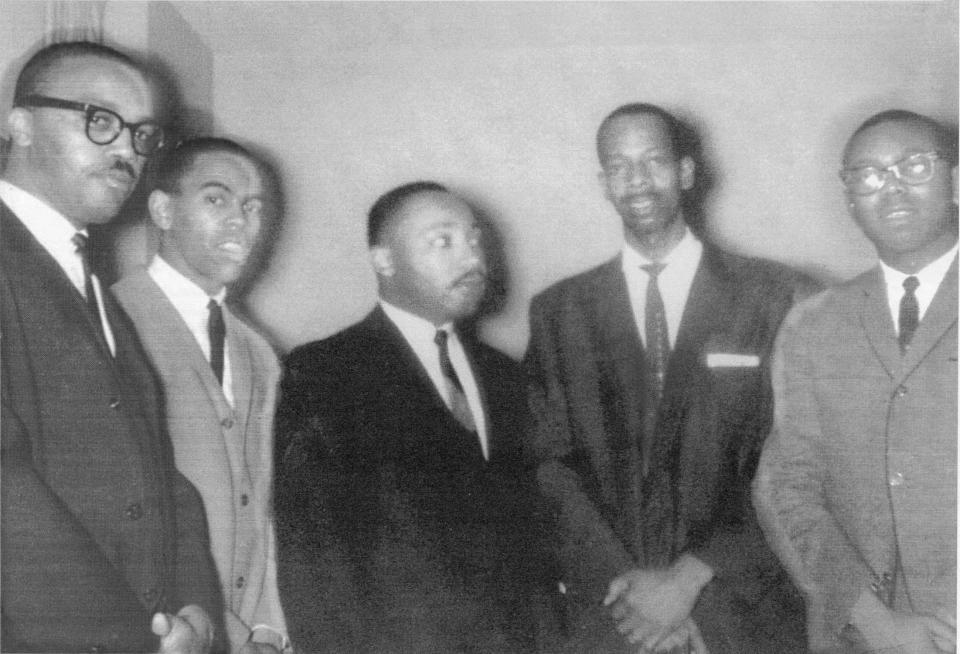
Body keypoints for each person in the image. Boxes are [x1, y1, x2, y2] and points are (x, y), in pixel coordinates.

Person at [523, 103, 810, 653]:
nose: (637, 180)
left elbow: (798, 459)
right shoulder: (558, 312)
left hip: (742, 611)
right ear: (602, 182)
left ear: (685, 172)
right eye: (619, 165)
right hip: (613, 616)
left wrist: (690, 577)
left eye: (653, 161)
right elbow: (548, 466)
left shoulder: (773, 296)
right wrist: (640, 598)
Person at [0, 41, 223, 652]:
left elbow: (158, 476)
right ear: (18, 124)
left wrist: (197, 606)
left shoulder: (93, 282)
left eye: (142, 134)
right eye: (100, 120)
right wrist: (136, 639)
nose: (127, 149)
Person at [273, 181, 542, 653]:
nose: (472, 259)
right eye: (443, 242)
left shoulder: (505, 376)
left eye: (474, 239)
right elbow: (311, 565)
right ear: (384, 260)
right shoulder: (326, 374)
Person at [754, 109, 957, 654]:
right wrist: (873, 621)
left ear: (956, 177)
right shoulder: (815, 321)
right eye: (868, 175)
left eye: (914, 166)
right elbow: (789, 485)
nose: (891, 189)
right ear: (849, 200)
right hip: (860, 636)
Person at [112, 138, 290, 654]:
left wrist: (269, 630)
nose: (241, 221)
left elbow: (269, 507)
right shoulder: (111, 324)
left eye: (252, 207)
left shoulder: (261, 353)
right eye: (216, 199)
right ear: (163, 210)